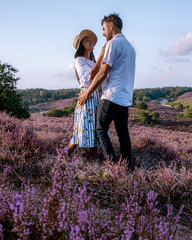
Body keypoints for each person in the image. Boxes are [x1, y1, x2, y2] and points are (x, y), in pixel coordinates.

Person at [78, 14, 136, 170]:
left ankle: (112, 163)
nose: (103, 33)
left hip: (111, 96)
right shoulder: (130, 48)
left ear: (111, 25)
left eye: (103, 29)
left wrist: (87, 93)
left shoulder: (112, 44)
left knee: (100, 128)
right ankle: (127, 166)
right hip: (125, 98)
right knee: (123, 133)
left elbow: (103, 72)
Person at [68, 29, 106, 159]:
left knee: (91, 135)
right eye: (86, 40)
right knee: (84, 134)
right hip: (87, 99)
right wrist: (101, 56)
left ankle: (89, 164)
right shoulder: (79, 60)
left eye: (91, 40)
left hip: (98, 99)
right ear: (80, 45)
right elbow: (88, 77)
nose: (90, 42)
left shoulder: (95, 62)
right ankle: (89, 166)